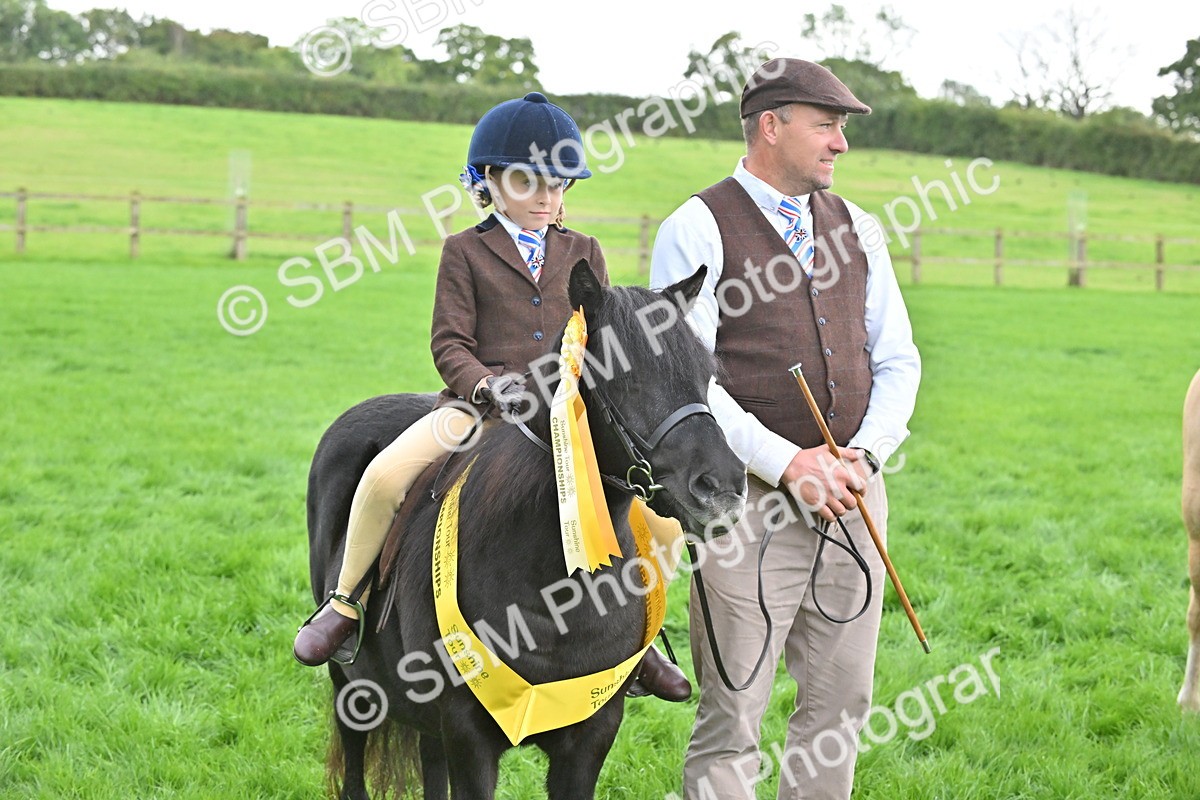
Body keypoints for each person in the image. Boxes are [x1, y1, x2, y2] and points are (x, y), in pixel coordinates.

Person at [294, 91, 691, 702]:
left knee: (658, 519)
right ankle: (345, 603)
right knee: (383, 475)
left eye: (559, 185)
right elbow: (449, 341)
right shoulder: (464, 251)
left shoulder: (584, 250)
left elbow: (604, 333)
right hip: (477, 410)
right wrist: (484, 384)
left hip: (569, 414)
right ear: (488, 182)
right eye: (531, 182)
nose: (548, 197)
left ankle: (637, 643)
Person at [649, 59, 921, 799]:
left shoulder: (859, 226)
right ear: (772, 126)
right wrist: (788, 462)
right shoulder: (697, 225)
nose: (841, 144)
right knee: (734, 710)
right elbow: (690, 382)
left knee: (841, 706)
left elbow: (898, 359)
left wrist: (862, 456)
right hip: (743, 510)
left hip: (855, 501)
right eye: (826, 126)